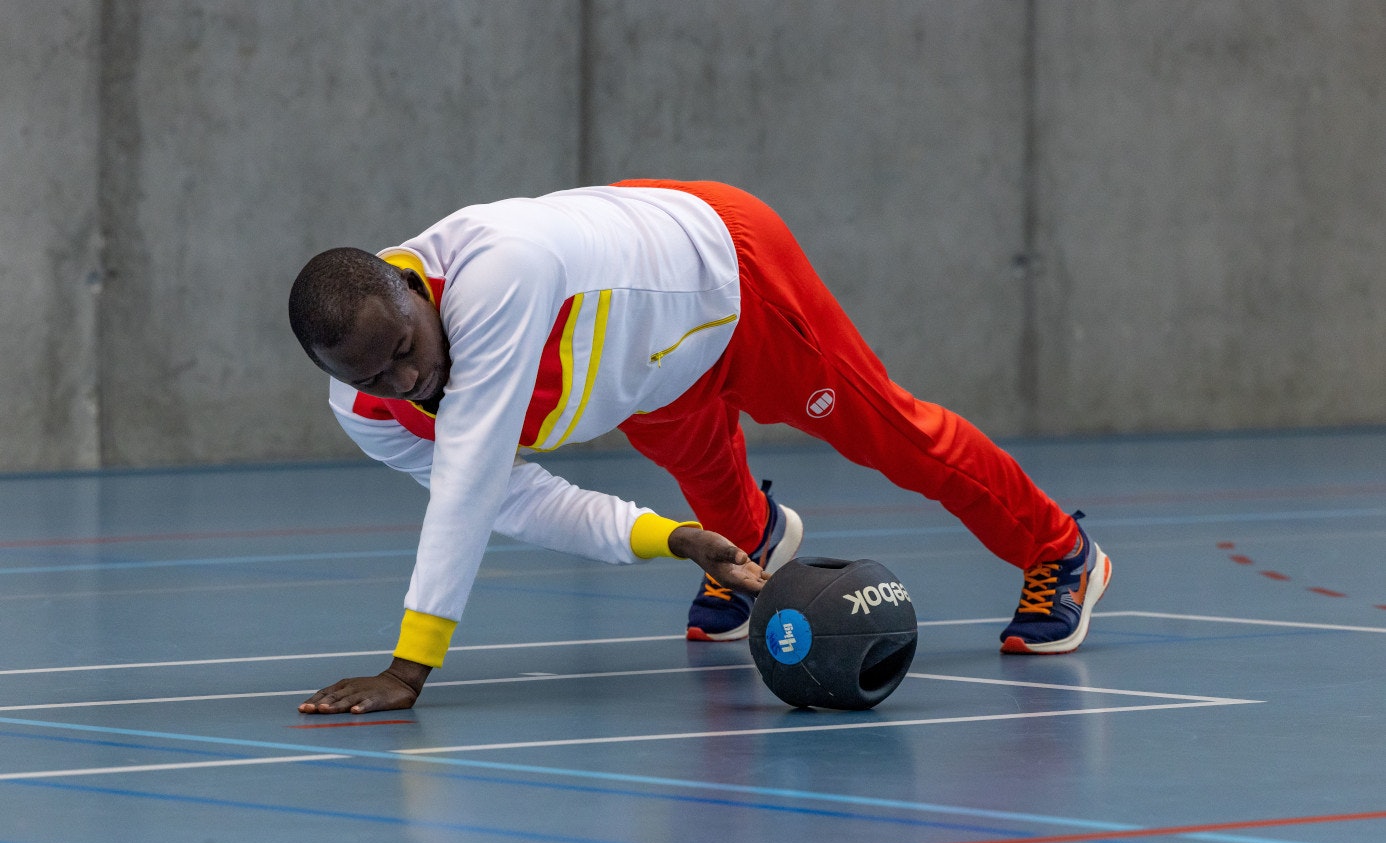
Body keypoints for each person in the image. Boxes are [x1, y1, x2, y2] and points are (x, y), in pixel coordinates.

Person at [287, 179, 1112, 715]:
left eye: (406, 346)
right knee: (703, 482)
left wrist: (410, 667)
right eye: (374, 376)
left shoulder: (497, 277)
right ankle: (749, 540)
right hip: (637, 367)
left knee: (891, 437)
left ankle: (1061, 550)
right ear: (334, 376)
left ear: (417, 291)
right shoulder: (372, 410)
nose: (405, 377)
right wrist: (669, 537)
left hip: (727, 276)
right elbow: (510, 499)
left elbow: (467, 486)